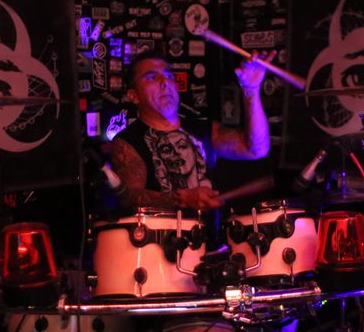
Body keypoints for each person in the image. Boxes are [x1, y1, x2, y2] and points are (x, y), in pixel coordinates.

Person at [104, 49, 274, 211]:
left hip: (210, 231)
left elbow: (256, 149)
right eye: (152, 77)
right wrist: (182, 199)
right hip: (161, 232)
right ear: (133, 96)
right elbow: (130, 198)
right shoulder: (127, 142)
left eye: (168, 76)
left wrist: (251, 90)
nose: (164, 83)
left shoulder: (203, 129)